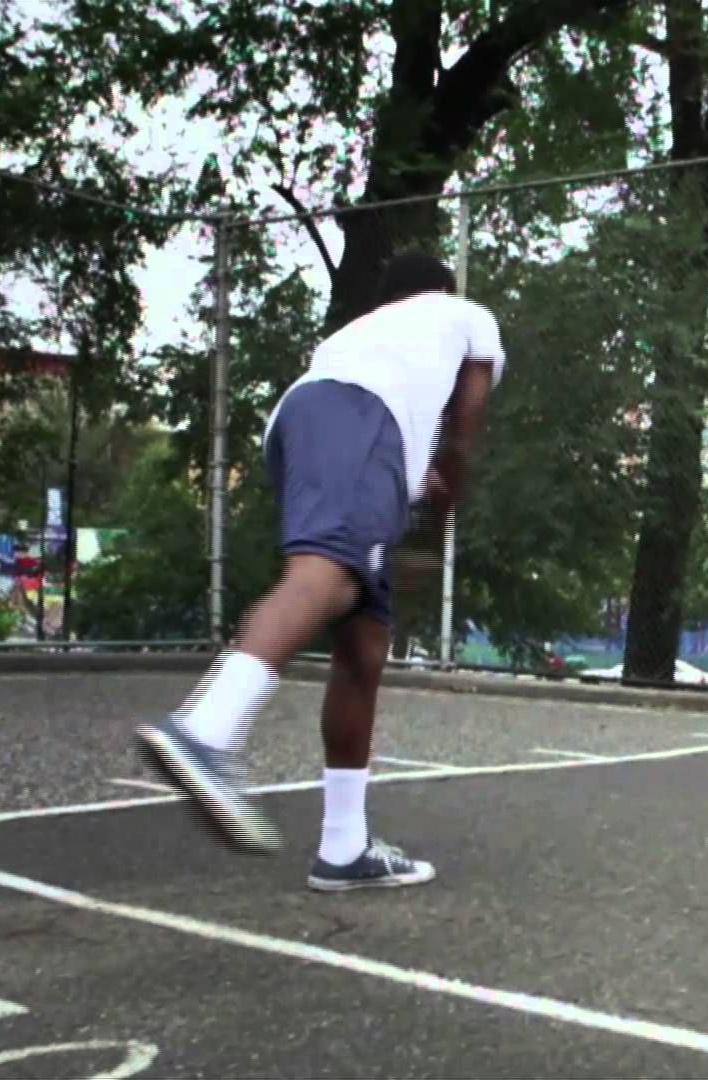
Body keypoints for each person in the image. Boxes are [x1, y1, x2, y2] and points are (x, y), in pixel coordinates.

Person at [136, 251, 503, 891]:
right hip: (361, 422)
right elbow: (464, 432)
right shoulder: (465, 316)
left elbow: (416, 454)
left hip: (311, 426)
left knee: (364, 643)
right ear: (442, 291)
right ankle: (201, 731)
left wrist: (414, 500)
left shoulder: (364, 338)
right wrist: (442, 511)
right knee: (326, 577)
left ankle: (345, 844)